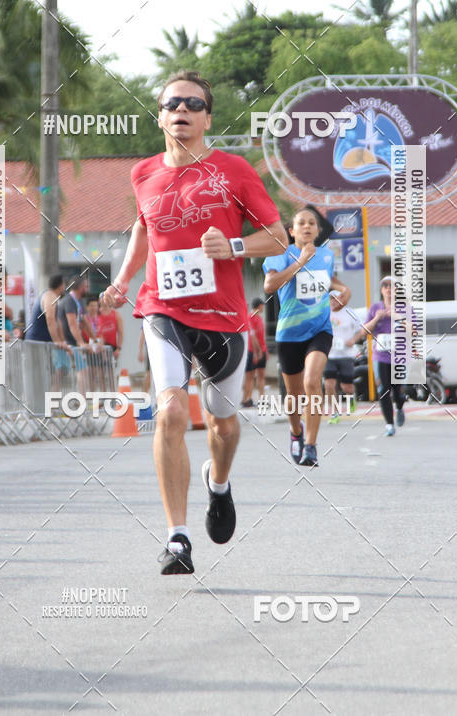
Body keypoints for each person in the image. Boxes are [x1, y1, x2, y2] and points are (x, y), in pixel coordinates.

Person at [103, 70, 286, 575]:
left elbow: (278, 236)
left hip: (225, 318)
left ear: (207, 117)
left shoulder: (234, 171)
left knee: (223, 425)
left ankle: (219, 484)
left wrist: (233, 247)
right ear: (160, 115)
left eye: (192, 103)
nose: (181, 110)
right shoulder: (142, 173)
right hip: (163, 308)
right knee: (170, 414)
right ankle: (177, 537)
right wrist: (122, 282)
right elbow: (144, 228)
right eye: (171, 103)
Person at [263, 208, 351, 468]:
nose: (307, 226)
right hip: (289, 333)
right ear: (291, 231)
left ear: (318, 229)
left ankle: (310, 447)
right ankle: (296, 432)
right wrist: (300, 261)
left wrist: (343, 290)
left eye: (312, 223)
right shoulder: (280, 253)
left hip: (320, 330)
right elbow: (270, 286)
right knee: (294, 395)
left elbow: (329, 278)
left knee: (313, 382)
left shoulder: (326, 255)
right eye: (301, 223)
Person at [362, 276, 407, 435]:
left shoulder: (404, 309)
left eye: (392, 286)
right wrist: (377, 318)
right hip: (380, 356)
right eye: (385, 286)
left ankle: (400, 408)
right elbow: (364, 331)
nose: (389, 289)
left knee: (399, 390)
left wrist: (397, 317)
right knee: (383, 389)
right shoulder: (375, 308)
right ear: (382, 291)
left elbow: (414, 329)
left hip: (399, 356)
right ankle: (389, 424)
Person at [324, 295, 363, 422]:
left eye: (336, 298)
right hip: (329, 354)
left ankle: (351, 397)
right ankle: (334, 412)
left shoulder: (349, 312)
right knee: (329, 384)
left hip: (346, 355)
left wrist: (353, 340)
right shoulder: (324, 312)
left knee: (346, 386)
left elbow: (361, 330)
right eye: (331, 299)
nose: (334, 301)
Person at [58, 276, 99, 392]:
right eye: (85, 286)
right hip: (67, 343)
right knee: (60, 373)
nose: (87, 288)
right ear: (80, 287)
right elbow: (72, 324)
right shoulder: (69, 301)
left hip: (73, 344)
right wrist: (81, 343)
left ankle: (81, 401)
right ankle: (78, 402)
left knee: (81, 370)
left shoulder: (79, 302)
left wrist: (95, 341)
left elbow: (86, 323)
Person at [242, 297, 268, 407]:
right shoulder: (250, 317)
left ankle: (262, 399)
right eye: (262, 305)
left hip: (261, 350)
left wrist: (264, 350)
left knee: (261, 375)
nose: (263, 307)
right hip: (252, 350)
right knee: (250, 375)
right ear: (259, 306)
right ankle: (246, 399)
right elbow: (252, 337)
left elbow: (262, 336)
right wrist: (257, 351)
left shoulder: (259, 318)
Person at [96, 293, 124, 361]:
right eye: (102, 298)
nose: (103, 300)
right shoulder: (96, 314)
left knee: (111, 369)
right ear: (99, 301)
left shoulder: (116, 314)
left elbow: (120, 332)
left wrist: (118, 348)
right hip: (99, 347)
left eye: (105, 298)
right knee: (98, 370)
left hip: (112, 348)